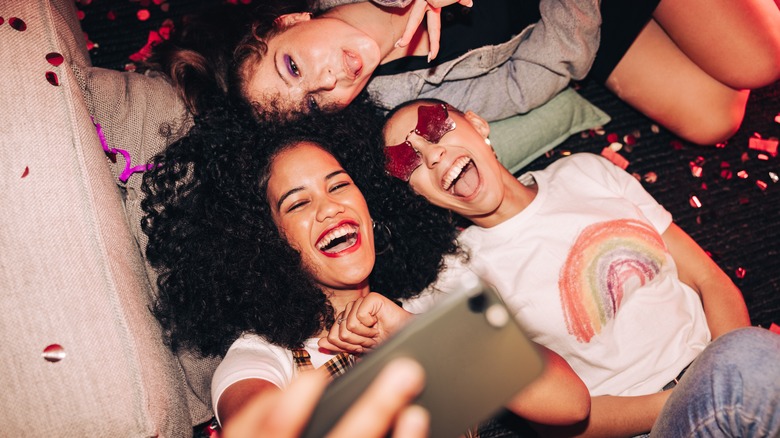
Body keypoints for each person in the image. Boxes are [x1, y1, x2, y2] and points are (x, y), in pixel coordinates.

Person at [322, 98, 780, 436]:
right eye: (411, 162)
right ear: (417, 195)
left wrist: (730, 364)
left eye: (437, 129)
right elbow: (566, 420)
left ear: (478, 125)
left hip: (736, 372)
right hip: (654, 423)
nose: (435, 154)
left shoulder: (586, 171)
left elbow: (708, 278)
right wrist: (703, 389)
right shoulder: (451, 279)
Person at [140, 100, 590, 434]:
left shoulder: (423, 306)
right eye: (298, 203)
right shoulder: (263, 355)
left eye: (339, 185)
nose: (329, 208)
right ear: (268, 242)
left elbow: (570, 404)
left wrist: (413, 333)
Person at [150, 0, 780, 145]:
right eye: (313, 103)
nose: (328, 80)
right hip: (574, 13)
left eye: (294, 65)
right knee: (714, 118)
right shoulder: (392, 95)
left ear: (289, 20)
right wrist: (575, 33)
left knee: (760, 59)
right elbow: (522, 80)